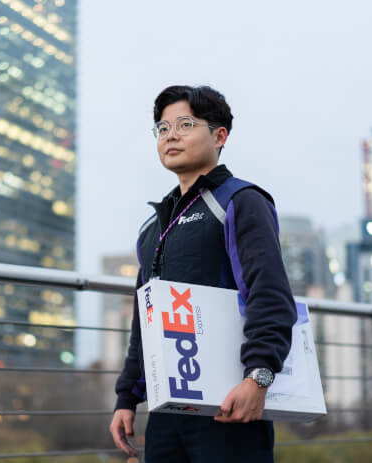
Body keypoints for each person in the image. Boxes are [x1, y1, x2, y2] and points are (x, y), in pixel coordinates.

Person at [108, 85, 297, 462]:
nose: (170, 135)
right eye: (162, 128)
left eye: (185, 124)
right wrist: (127, 397)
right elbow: (143, 319)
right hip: (168, 410)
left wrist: (258, 377)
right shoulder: (153, 227)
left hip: (229, 402)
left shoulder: (240, 201)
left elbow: (269, 292)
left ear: (219, 135)